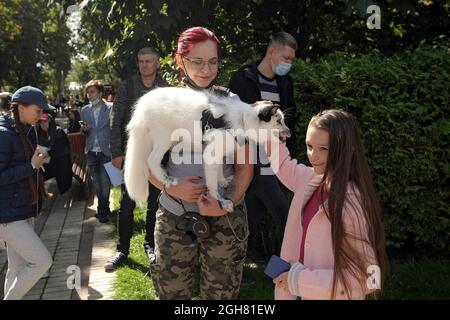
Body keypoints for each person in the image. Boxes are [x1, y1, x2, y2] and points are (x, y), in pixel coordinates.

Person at [143, 27, 253, 300]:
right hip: (174, 218)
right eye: (197, 62)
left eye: (213, 62)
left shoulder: (233, 105)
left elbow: (245, 167)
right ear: (179, 60)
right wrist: (170, 187)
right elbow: (143, 164)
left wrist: (226, 201)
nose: (206, 69)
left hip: (226, 220)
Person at [266, 109, 387, 300]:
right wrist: (271, 127)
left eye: (324, 148)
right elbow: (281, 164)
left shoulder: (351, 203)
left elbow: (371, 279)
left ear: (348, 148)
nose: (313, 156)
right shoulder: (309, 179)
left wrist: (297, 280)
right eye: (309, 146)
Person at [228, 32, 299, 256]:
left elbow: (291, 117)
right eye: (286, 58)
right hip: (253, 165)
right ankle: (292, 269)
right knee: (289, 221)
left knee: (244, 223)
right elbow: (230, 121)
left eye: (291, 60)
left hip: (277, 164)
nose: (289, 63)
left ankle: (230, 265)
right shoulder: (243, 79)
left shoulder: (285, 83)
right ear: (271, 52)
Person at [106, 47, 169, 271]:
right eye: (141, 61)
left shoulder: (165, 89)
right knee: (126, 204)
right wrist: (116, 152)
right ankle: (122, 249)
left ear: (157, 63)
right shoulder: (128, 87)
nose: (144, 65)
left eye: (149, 61)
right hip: (132, 154)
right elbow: (116, 120)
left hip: (158, 156)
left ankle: (151, 246)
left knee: (155, 203)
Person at [0, 86, 53, 300]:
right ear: (21, 108)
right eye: (37, 110)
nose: (41, 115)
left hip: (19, 208)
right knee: (42, 261)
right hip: (7, 214)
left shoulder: (24, 128)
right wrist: (31, 166)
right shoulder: (4, 134)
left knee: (16, 268)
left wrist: (39, 159)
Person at [80, 80, 112, 223]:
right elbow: (84, 132)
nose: (89, 95)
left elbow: (115, 129)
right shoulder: (85, 110)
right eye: (88, 92)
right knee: (97, 183)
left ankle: (103, 211)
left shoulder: (110, 108)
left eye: (92, 92)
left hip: (107, 151)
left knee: (105, 183)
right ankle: (103, 208)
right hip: (91, 151)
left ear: (100, 93)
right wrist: (84, 130)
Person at [37, 113, 72, 194]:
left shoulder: (58, 131)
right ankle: (40, 192)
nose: (43, 124)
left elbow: (60, 149)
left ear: (50, 121)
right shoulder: (41, 134)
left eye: (45, 122)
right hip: (49, 161)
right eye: (41, 122)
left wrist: (48, 152)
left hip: (62, 162)